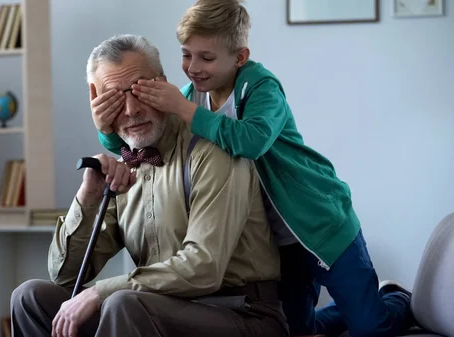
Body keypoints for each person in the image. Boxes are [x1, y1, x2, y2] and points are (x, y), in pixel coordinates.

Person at [90, 1, 414, 336]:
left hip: (320, 225)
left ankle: (395, 297)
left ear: (240, 57)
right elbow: (150, 146)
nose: (194, 67)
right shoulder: (192, 98)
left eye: (207, 57)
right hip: (279, 241)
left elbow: (252, 140)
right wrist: (105, 129)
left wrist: (182, 108)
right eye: (187, 54)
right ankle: (354, 310)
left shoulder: (260, 87)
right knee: (297, 329)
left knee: (373, 329)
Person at [10, 34, 290, 337]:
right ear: (95, 100)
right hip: (150, 309)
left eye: (139, 91)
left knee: (123, 304)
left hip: (240, 312)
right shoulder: (124, 164)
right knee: (30, 298)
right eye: (115, 97)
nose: (131, 110)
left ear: (163, 83)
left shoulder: (213, 150)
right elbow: (65, 275)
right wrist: (88, 197)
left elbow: (204, 268)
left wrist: (100, 292)